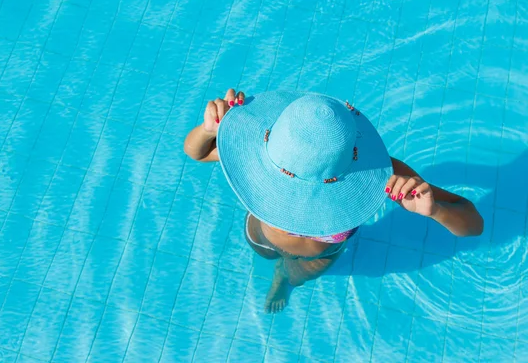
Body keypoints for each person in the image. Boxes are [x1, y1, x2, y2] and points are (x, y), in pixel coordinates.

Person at [184, 89, 484, 313]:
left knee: (294, 277)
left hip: (318, 255)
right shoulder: (269, 154)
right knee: (267, 255)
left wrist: (436, 211)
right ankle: (281, 274)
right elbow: (197, 151)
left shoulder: (380, 176)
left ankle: (283, 281)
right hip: (262, 237)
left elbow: (473, 223)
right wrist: (208, 130)